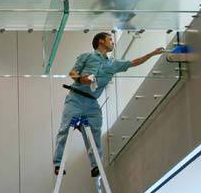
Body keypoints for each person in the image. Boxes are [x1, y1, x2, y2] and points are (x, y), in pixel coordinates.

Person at [52, 32, 164, 176]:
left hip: (92, 103)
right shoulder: (86, 56)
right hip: (76, 99)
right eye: (110, 39)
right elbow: (73, 73)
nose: (113, 41)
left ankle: (96, 165)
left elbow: (134, 62)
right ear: (100, 41)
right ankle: (58, 163)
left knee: (96, 132)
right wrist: (81, 79)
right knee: (65, 129)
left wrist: (153, 53)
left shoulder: (113, 64)